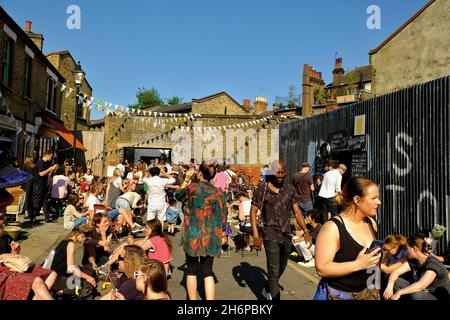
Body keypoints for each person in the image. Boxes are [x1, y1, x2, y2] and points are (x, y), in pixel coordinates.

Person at [250, 160, 311, 300]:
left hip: (286, 234)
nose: (280, 175)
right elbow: (253, 212)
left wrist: (306, 231)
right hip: (270, 234)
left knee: (281, 268)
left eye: (283, 172)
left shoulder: (290, 189)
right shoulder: (262, 189)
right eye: (277, 172)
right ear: (271, 172)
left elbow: (297, 212)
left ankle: (267, 289)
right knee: (273, 271)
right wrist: (256, 236)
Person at [314, 177, 381, 300]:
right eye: (374, 198)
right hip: (336, 295)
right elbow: (321, 269)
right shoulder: (333, 228)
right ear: (357, 200)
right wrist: (358, 264)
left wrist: (376, 288)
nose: (379, 202)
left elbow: (373, 263)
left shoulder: (371, 223)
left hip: (366, 294)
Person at [174, 164, 227, 300]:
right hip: (211, 236)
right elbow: (224, 216)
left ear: (200, 174)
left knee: (191, 271)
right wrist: (223, 233)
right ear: (213, 176)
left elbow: (177, 195)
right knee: (208, 272)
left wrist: (186, 179)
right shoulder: (219, 193)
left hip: (192, 234)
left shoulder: (192, 188)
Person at [383, 235, 450, 300]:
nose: (406, 251)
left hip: (436, 296)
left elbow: (420, 286)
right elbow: (396, 272)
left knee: (416, 295)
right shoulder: (414, 260)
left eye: (407, 248)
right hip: (424, 291)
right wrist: (390, 285)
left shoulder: (432, 264)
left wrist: (400, 292)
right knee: (396, 281)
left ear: (414, 248)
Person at [50, 229, 97, 297]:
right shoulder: (71, 243)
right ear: (80, 235)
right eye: (84, 237)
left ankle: (60, 291)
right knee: (83, 287)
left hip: (56, 273)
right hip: (57, 277)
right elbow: (71, 268)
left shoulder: (64, 241)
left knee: (86, 271)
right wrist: (88, 277)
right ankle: (59, 292)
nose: (84, 240)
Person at [29, 150, 58, 223]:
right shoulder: (40, 163)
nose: (51, 158)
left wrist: (52, 170)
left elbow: (47, 173)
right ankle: (33, 217)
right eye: (51, 157)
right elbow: (41, 174)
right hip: (38, 184)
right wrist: (49, 169)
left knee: (45, 200)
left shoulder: (47, 163)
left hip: (44, 184)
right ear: (47, 155)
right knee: (37, 200)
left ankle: (47, 217)